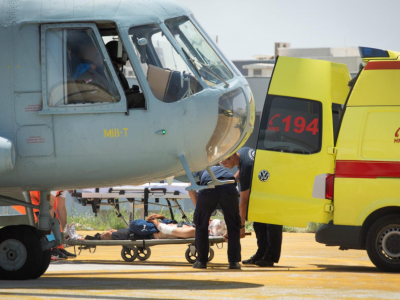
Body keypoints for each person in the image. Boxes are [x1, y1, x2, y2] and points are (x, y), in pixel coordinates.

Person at [220, 147, 283, 267]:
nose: (224, 166)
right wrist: (232, 181)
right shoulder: (242, 152)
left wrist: (241, 226)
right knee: (258, 222)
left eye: (225, 163)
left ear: (232, 156)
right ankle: (261, 253)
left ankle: (270, 257)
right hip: (266, 186)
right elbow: (241, 169)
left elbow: (243, 201)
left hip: (275, 188)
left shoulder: (247, 167)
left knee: (272, 223)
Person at [188, 166, 241, 270]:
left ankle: (201, 261)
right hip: (229, 187)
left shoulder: (197, 167)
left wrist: (199, 210)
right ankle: (234, 262)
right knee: (233, 225)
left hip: (209, 188)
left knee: (201, 225)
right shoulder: (221, 168)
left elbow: (191, 187)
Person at [86, 214, 197, 240]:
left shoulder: (192, 231)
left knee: (109, 234)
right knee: (112, 231)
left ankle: (88, 240)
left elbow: (167, 230)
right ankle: (93, 238)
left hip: (147, 233)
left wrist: (154, 221)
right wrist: (162, 217)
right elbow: (172, 225)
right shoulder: (192, 226)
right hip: (148, 229)